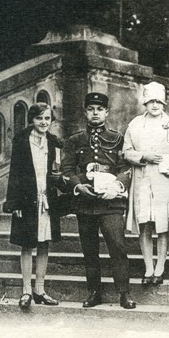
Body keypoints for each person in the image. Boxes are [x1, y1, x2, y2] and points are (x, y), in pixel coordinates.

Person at [61, 92, 136, 309]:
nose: (95, 113)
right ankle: (95, 292)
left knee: (118, 246)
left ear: (106, 112)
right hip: (85, 202)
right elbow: (66, 170)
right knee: (89, 249)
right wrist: (77, 186)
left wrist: (118, 186)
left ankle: (124, 293)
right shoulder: (75, 140)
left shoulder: (118, 138)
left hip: (111, 202)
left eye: (99, 109)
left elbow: (126, 168)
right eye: (91, 109)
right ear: (86, 112)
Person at [123, 82, 169, 286]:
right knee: (144, 224)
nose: (155, 105)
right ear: (145, 103)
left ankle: (160, 266)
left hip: (165, 180)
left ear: (164, 103)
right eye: (151, 101)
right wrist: (144, 156)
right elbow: (127, 152)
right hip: (142, 178)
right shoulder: (135, 125)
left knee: (163, 224)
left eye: (159, 101)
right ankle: (148, 266)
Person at [3, 103, 62, 310]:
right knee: (28, 244)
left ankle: (40, 290)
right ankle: (26, 290)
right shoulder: (21, 141)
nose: (43, 122)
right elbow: (15, 174)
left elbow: (56, 171)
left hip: (47, 199)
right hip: (27, 200)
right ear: (32, 120)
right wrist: (15, 202)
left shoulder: (54, 143)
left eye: (47, 119)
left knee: (44, 243)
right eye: (39, 118)